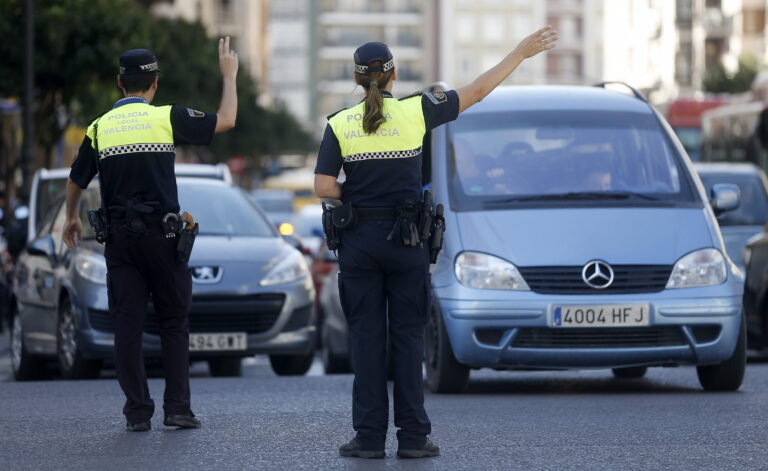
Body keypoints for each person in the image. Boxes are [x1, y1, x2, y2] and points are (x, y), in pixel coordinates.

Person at [314, 27, 557, 459]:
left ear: (356, 79)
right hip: (406, 241)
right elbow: (478, 90)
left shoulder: (339, 124)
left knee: (367, 341)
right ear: (393, 75)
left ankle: (369, 439)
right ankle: (412, 438)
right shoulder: (418, 110)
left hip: (360, 243)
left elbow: (323, 186)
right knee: (408, 338)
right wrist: (519, 53)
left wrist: (359, 198)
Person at [62, 38, 239, 432]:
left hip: (121, 241)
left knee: (127, 325)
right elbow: (226, 120)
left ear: (119, 83)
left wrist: (71, 217)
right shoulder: (167, 117)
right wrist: (229, 76)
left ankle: (137, 412)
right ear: (154, 83)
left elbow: (77, 178)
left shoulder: (99, 127)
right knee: (174, 322)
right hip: (164, 238)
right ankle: (177, 409)